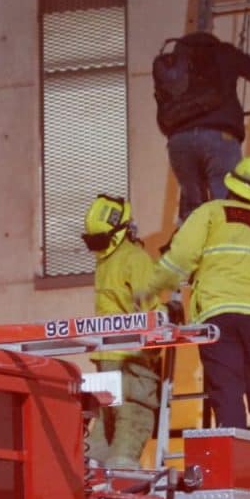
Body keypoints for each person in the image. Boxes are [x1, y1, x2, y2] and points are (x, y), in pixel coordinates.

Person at [134, 156, 250, 437]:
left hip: (219, 317)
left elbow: (180, 258)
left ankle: (234, 463)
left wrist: (149, 289)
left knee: (228, 392)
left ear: (230, 184)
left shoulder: (211, 212)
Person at [160, 32, 250, 222]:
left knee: (193, 214)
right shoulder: (225, 53)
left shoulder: (173, 64)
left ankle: (189, 248)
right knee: (226, 209)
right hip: (218, 139)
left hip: (178, 143)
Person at [82, 195, 162, 468]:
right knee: (131, 426)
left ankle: (93, 475)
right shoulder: (133, 258)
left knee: (105, 436)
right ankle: (117, 488)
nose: (97, 248)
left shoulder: (110, 263)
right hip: (130, 363)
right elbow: (151, 310)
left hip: (110, 363)